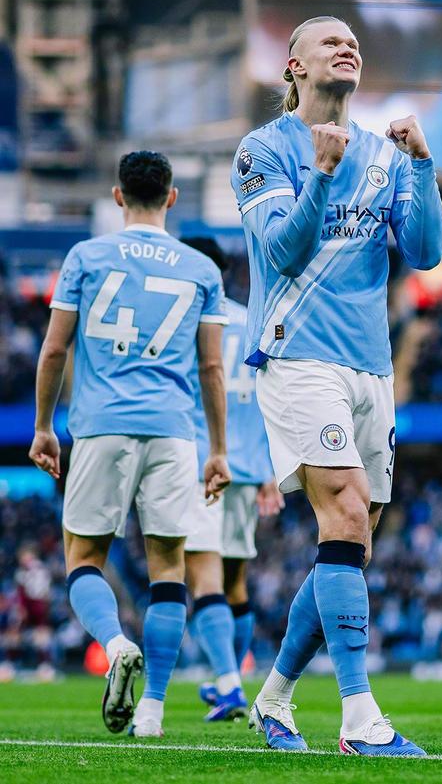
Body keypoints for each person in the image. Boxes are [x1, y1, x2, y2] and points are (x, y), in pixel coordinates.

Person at [230, 15, 442, 756]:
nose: (348, 47)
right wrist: (321, 174)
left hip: (371, 364)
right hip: (297, 356)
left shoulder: (386, 155)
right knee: (348, 511)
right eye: (330, 41)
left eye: (354, 41)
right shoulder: (263, 149)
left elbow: (425, 252)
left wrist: (422, 165)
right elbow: (281, 254)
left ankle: (274, 698)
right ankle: (360, 719)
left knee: (352, 538)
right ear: (294, 66)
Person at [29, 151, 231, 737]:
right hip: (173, 431)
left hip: (102, 425)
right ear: (172, 197)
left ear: (118, 196)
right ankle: (153, 712)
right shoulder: (202, 269)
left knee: (83, 559)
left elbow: (54, 349)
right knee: (169, 569)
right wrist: (218, 449)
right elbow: (211, 368)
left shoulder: (86, 257)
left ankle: (117, 645)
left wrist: (44, 426)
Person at [179, 237, 283, 722]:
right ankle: (230, 680)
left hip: (202, 465)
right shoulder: (252, 321)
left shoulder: (187, 323)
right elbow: (273, 398)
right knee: (234, 583)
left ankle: (229, 685)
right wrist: (270, 469)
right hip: (250, 468)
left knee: (203, 577)